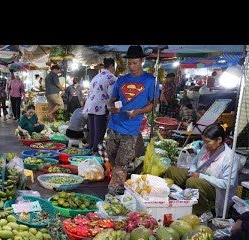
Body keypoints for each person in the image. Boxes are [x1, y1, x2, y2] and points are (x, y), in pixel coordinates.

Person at [106, 45, 159, 195]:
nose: (132, 66)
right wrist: (111, 108)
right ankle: (121, 185)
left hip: (131, 129)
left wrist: (138, 112)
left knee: (121, 162)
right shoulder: (121, 80)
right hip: (114, 125)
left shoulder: (150, 81)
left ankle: (113, 193)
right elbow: (112, 100)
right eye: (129, 63)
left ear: (142, 60)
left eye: (135, 63)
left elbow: (153, 103)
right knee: (112, 158)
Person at [164, 124, 238, 217]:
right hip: (198, 176)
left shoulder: (230, 158)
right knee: (172, 170)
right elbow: (194, 163)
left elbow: (227, 184)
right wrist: (193, 170)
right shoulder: (205, 148)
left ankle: (200, 212)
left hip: (216, 190)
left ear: (219, 140)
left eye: (208, 142)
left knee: (193, 182)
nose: (205, 145)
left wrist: (200, 176)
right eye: (204, 141)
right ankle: (170, 200)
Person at [83, 58, 117, 152]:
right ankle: (96, 154)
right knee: (99, 132)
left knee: (92, 132)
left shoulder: (97, 76)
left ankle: (90, 151)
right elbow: (112, 96)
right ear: (111, 66)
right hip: (101, 107)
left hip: (90, 106)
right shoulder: (111, 78)